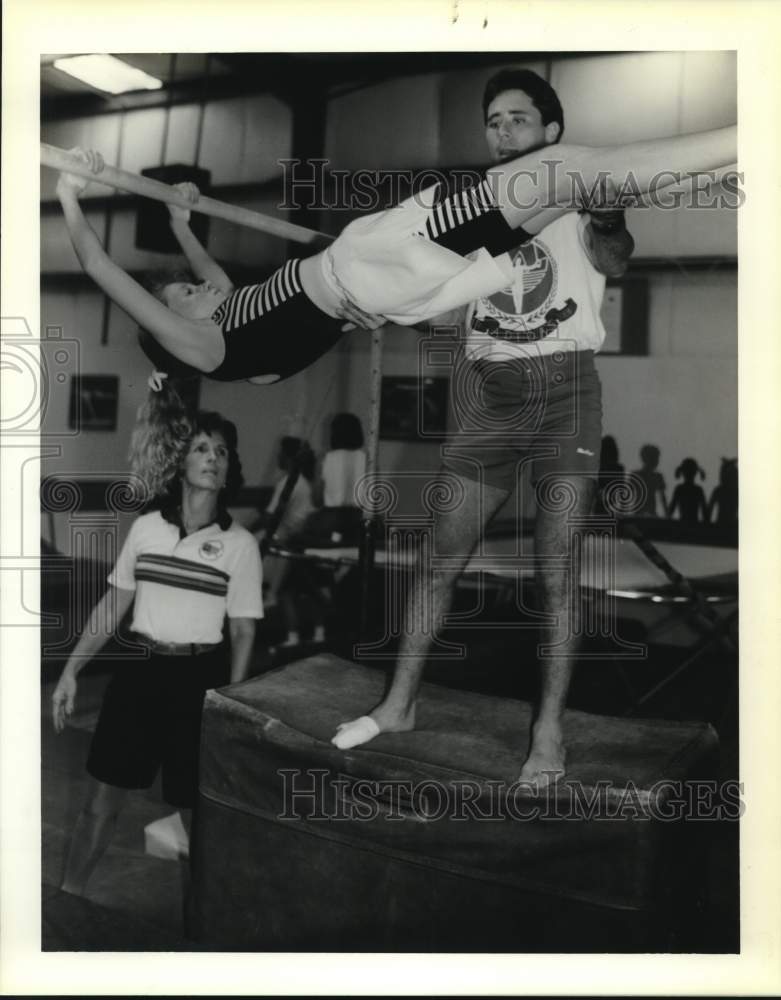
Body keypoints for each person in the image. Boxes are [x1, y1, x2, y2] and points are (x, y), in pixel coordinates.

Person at [331, 68, 650, 784]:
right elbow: (444, 304)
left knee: (557, 570)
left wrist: (605, 218)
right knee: (437, 559)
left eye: (517, 118)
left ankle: (547, 733)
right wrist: (373, 303)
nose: (502, 130)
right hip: (485, 392)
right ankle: (399, 704)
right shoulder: (466, 206)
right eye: (493, 121)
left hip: (564, 389)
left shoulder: (577, 189)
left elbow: (614, 260)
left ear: (551, 131)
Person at [55, 120, 736, 383]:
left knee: (562, 178)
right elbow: (100, 267)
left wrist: (181, 222)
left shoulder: (236, 327)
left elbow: (216, 279)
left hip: (384, 270)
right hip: (377, 264)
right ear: (169, 329)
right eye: (180, 296)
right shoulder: (209, 348)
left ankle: (720, 166)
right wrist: (69, 195)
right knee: (559, 171)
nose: (199, 286)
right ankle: (746, 134)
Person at [51, 390, 263, 895]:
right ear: (181, 463)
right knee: (99, 802)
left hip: (198, 682)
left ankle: (196, 936)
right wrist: (71, 671)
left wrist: (228, 707)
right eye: (202, 448)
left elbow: (243, 630)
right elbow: (111, 607)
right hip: (140, 674)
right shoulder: (147, 529)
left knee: (198, 820)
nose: (213, 458)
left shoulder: (240, 545)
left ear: (229, 468)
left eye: (222, 452)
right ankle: (68, 902)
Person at [255, 437, 324, 647]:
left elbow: (270, 517)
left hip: (292, 542)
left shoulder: (289, 482)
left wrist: (245, 530)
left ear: (289, 457)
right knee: (305, 590)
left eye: (281, 452)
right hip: (302, 540)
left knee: (286, 590)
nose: (277, 456)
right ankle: (318, 634)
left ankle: (271, 597)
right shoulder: (304, 482)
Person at [632, 444, 669, 517]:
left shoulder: (658, 476)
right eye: (654, 458)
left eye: (656, 458)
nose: (656, 461)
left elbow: (663, 499)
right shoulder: (637, 475)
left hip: (648, 513)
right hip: (640, 514)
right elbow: (663, 499)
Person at [669, 457, 708, 525]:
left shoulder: (679, 489)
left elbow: (670, 511)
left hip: (682, 525)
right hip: (695, 525)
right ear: (695, 473)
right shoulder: (698, 490)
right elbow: (705, 512)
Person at [707, 457, 738, 527]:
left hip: (723, 525)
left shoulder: (718, 491)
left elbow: (709, 511)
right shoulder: (719, 491)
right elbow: (709, 511)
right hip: (726, 525)